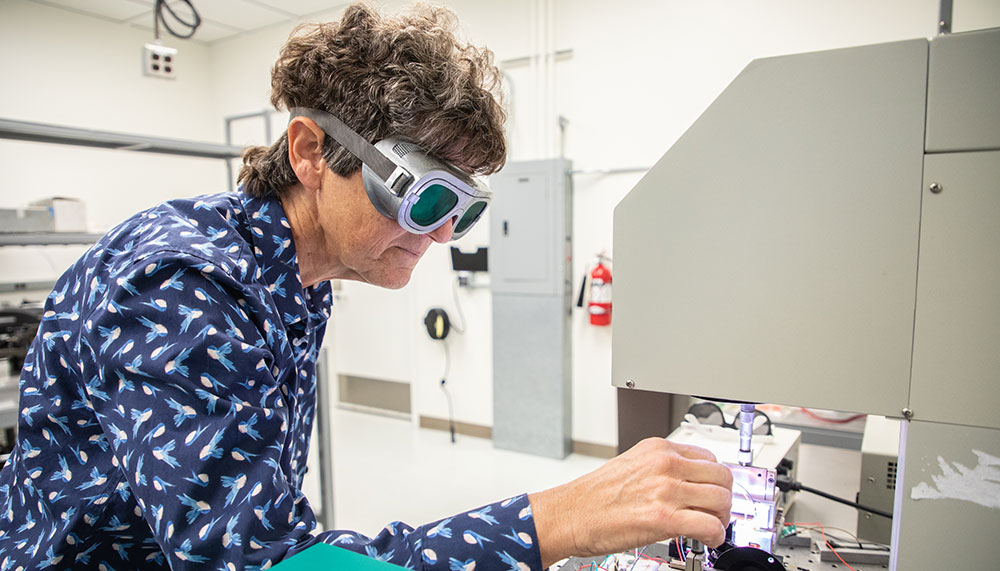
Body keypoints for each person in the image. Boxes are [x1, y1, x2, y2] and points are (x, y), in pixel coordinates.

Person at [0, 3, 732, 570]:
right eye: (423, 196)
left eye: (463, 209)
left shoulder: (296, 277)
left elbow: (274, 531)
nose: (443, 233)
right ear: (312, 150)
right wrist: (556, 518)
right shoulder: (182, 288)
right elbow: (267, 564)